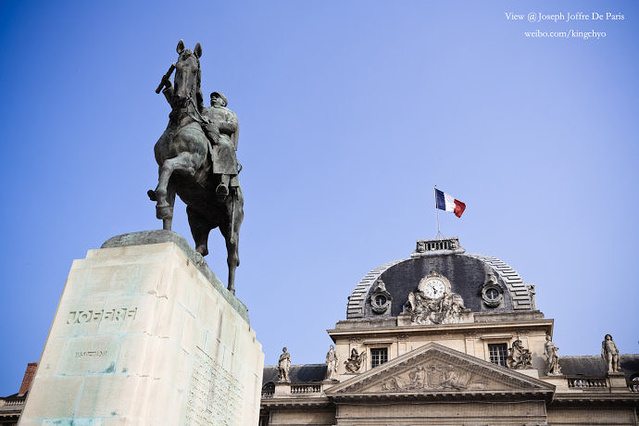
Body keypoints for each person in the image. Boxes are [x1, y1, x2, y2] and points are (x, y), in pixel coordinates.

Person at [202, 92, 240, 200]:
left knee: (226, 145)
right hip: (203, 133)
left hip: (220, 136)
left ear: (223, 102)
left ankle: (224, 182)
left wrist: (215, 124)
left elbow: (232, 126)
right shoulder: (204, 110)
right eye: (212, 97)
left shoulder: (229, 113)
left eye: (216, 97)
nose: (213, 98)